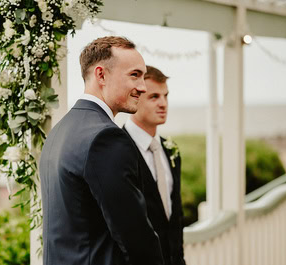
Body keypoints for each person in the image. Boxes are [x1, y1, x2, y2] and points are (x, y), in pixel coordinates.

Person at [39, 37, 164, 265]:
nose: (143, 87)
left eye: (144, 77)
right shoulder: (106, 138)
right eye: (134, 75)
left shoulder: (58, 132)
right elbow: (135, 236)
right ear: (101, 75)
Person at [123, 65, 186, 265]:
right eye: (154, 97)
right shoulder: (117, 149)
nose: (163, 103)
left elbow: (176, 218)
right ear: (135, 97)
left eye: (165, 96)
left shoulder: (170, 150)